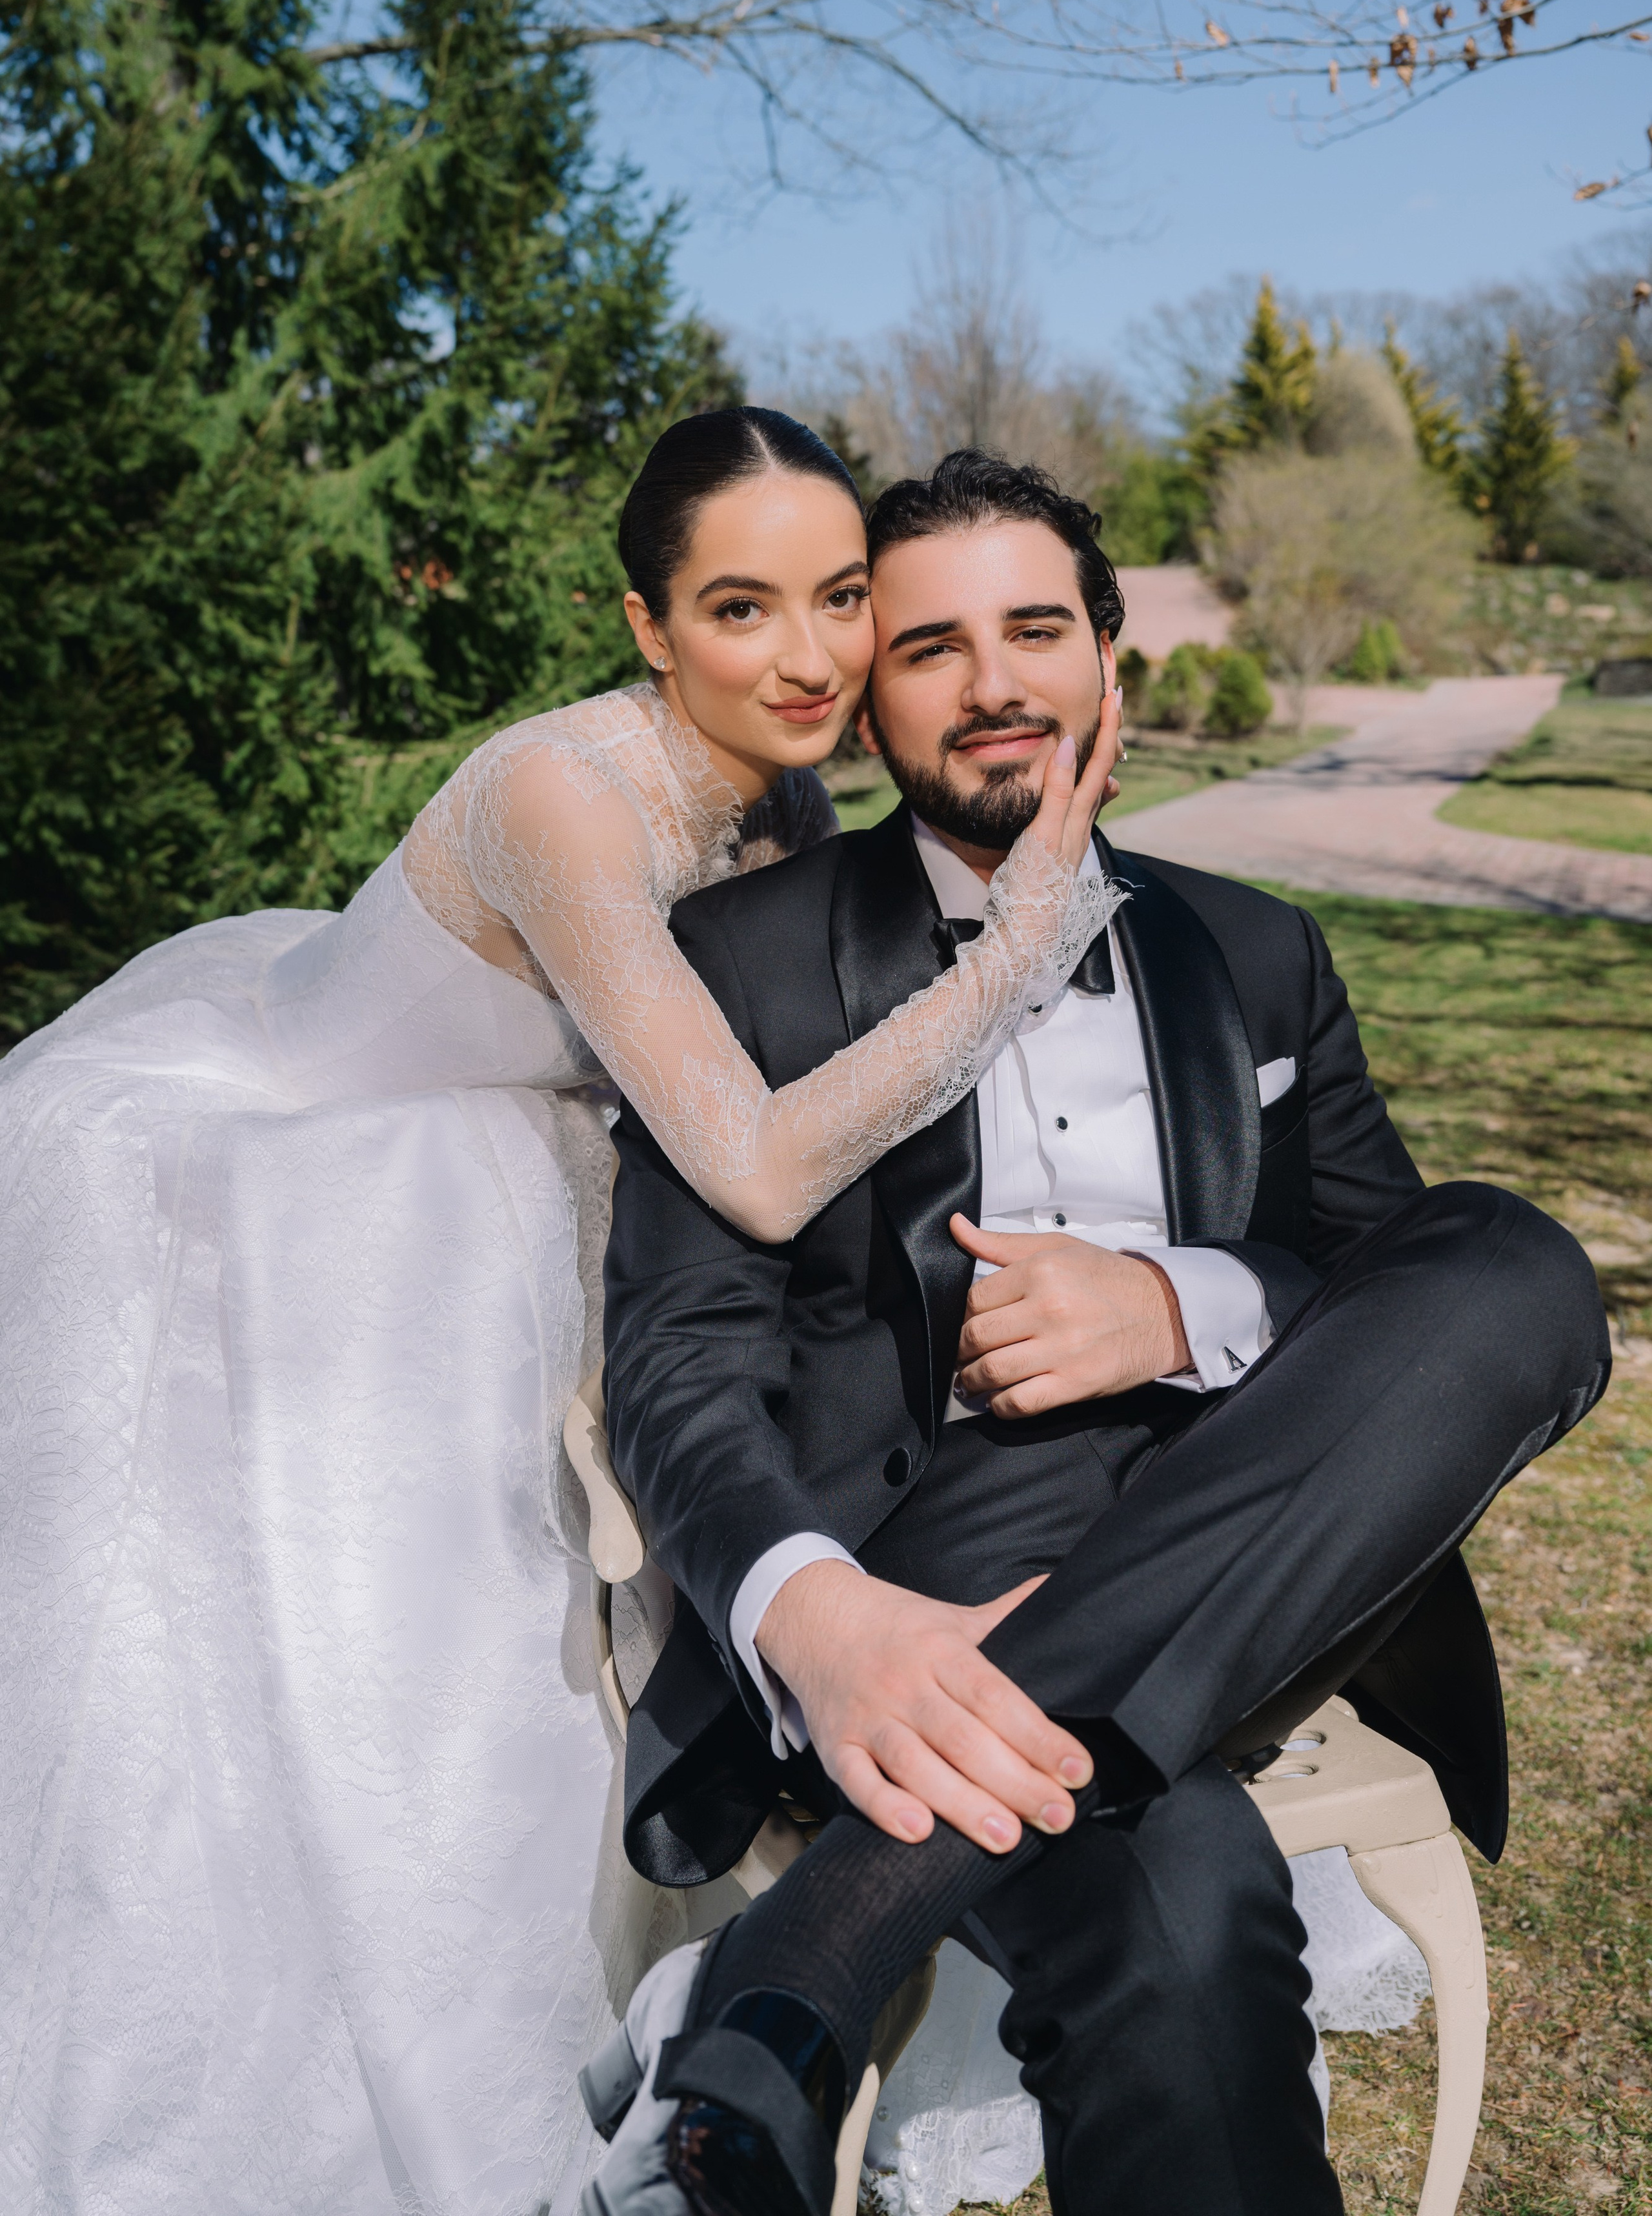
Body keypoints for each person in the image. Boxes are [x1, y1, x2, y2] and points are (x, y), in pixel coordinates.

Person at [0, 410, 1119, 2216]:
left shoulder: (784, 789)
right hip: (301, 1208)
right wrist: (1018, 957)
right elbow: (758, 1164)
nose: (815, 656)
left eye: (842, 598)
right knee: (326, 1694)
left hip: (552, 1179)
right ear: (646, 627)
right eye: (742, 610)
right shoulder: (561, 799)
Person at [589, 448, 1612, 2216]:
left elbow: (1389, 1285)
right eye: (933, 646)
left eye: (1039, 629)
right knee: (1189, 1915)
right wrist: (817, 1623)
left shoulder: (1261, 949)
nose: (996, 685)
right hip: (927, 1567)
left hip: (1275, 1530)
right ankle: (824, 1948)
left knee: (1516, 1265)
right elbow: (677, 1355)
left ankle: (799, 1964)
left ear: (1110, 661)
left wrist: (1180, 1306)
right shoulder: (735, 964)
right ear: (865, 693)